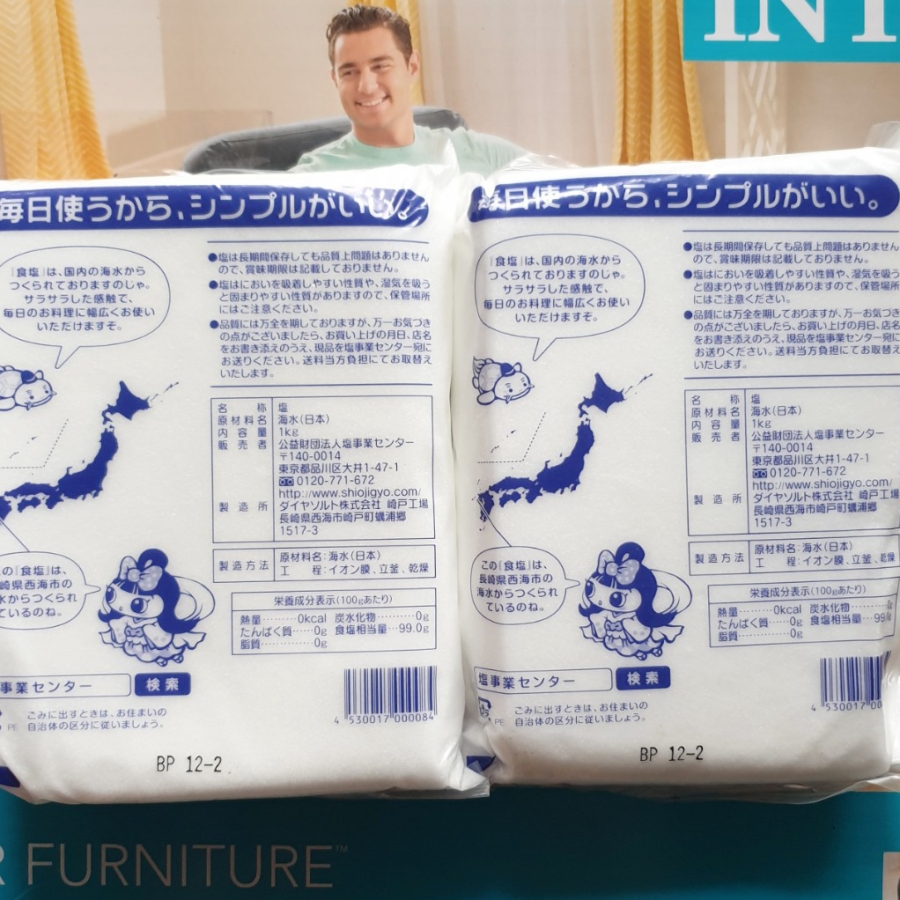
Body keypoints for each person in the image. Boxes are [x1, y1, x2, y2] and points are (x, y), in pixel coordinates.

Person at [290, 6, 526, 176]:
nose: (367, 87)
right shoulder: (311, 177)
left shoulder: (478, 154)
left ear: (412, 67)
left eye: (380, 66)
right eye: (349, 72)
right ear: (335, 79)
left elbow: (550, 187)